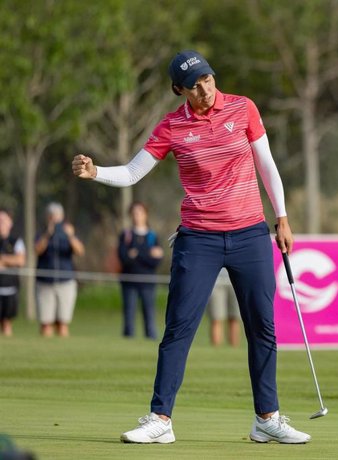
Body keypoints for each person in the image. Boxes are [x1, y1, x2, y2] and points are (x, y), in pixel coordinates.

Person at [72, 50, 310, 445]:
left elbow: (266, 165)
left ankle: (267, 418)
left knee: (263, 328)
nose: (205, 90)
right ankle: (160, 419)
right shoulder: (171, 127)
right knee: (179, 328)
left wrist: (282, 218)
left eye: (208, 80)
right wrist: (96, 172)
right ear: (178, 90)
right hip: (198, 238)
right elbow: (133, 173)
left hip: (250, 233)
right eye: (195, 86)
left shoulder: (243, 108)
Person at [35, 202, 85, 338]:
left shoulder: (68, 233)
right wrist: (47, 234)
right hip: (45, 282)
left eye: (57, 216)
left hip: (65, 281)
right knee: (46, 324)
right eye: (51, 216)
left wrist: (70, 236)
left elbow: (80, 251)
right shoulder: (41, 233)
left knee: (63, 324)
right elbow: (37, 250)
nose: (54, 219)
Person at [118, 201, 164, 340]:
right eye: (134, 213)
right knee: (129, 315)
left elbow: (156, 261)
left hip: (147, 282)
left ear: (145, 215)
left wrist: (136, 253)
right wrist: (147, 253)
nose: (136, 216)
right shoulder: (126, 235)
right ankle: (128, 343)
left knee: (149, 315)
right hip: (129, 281)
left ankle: (151, 341)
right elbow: (124, 257)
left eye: (139, 212)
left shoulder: (152, 236)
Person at [0, 208, 26, 337]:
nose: (1, 223)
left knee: (7, 322)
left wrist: (3, 259)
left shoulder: (16, 240)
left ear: (10, 223)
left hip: (10, 287)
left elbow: (20, 260)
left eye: (4, 220)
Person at [207, 270, 241, 347]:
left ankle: (234, 351)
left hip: (236, 279)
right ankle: (216, 351)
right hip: (216, 281)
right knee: (216, 319)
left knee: (234, 318)